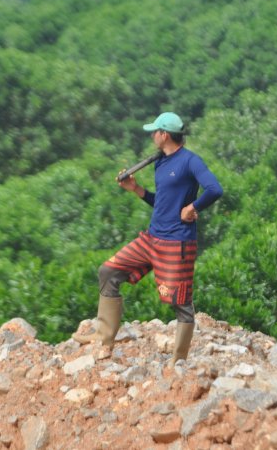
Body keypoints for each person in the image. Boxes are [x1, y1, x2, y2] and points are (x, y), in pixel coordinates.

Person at [72, 111, 223, 364]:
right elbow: (162, 203)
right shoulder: (160, 162)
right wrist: (137, 190)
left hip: (178, 242)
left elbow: (215, 189)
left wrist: (193, 207)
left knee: (181, 302)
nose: (152, 135)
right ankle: (103, 336)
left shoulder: (190, 161)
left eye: (155, 131)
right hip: (151, 238)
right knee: (108, 271)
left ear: (164, 135)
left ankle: (179, 360)